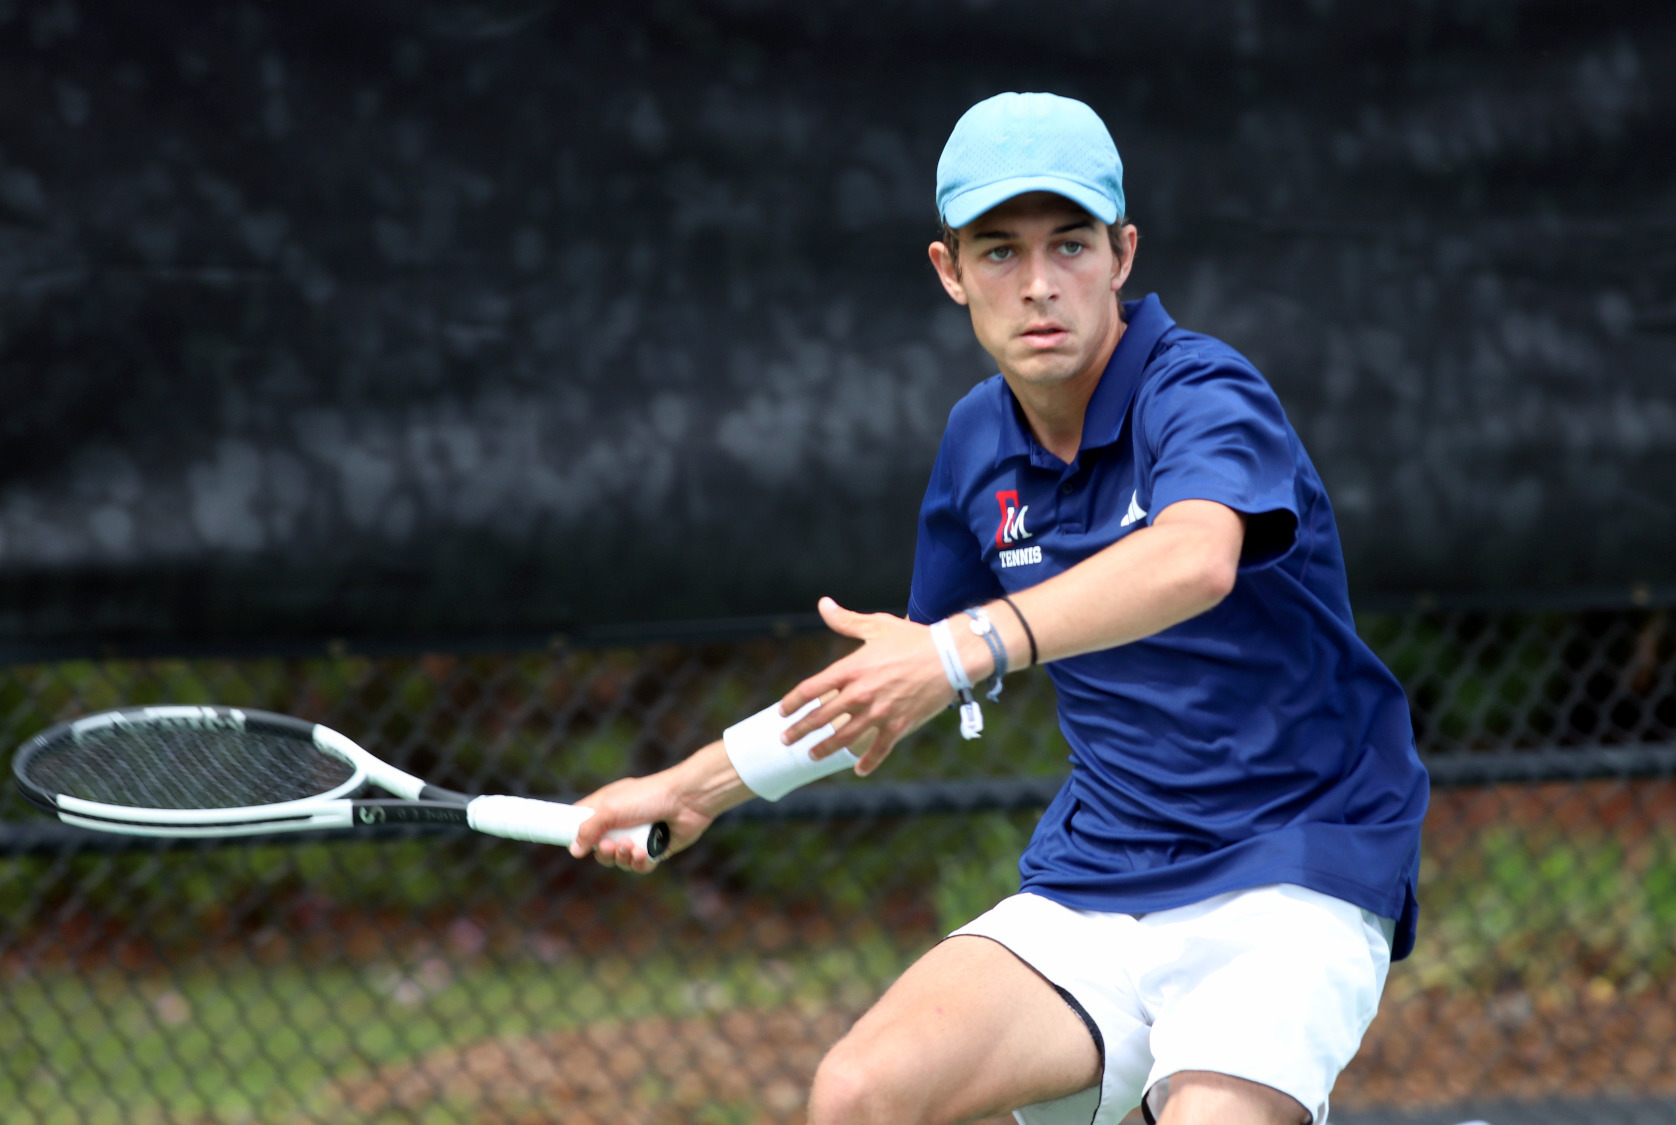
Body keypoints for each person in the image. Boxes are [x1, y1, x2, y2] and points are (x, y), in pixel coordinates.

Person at [572, 92, 1429, 1125]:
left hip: (1294, 874)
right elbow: (897, 677)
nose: (1036, 287)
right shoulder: (977, 442)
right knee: (856, 1094)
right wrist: (695, 787)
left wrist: (970, 645)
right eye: (997, 252)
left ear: (1121, 254)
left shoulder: (1200, 389)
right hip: (1099, 878)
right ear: (948, 273)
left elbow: (1194, 559)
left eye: (1068, 245)